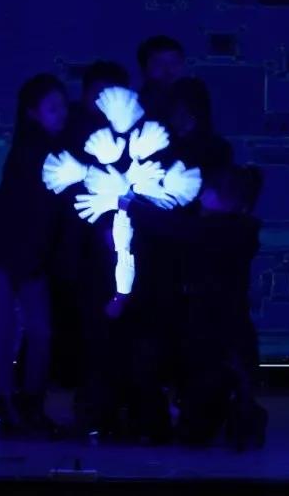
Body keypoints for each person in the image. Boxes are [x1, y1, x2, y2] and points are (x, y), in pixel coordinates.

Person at [117, 165, 267, 450]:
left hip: (216, 324)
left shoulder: (233, 230)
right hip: (200, 321)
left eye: (208, 190)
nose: (200, 194)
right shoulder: (225, 226)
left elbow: (179, 230)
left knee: (203, 399)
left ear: (224, 197)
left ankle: (235, 417)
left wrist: (132, 205)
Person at [0, 73, 67, 433]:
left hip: (29, 252)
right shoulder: (33, 150)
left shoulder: (50, 147)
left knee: (39, 330)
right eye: (52, 107)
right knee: (5, 326)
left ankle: (26, 402)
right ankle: (9, 402)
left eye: (62, 106)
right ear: (32, 112)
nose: (61, 113)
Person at [52, 60, 133, 436]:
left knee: (101, 332)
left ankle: (99, 407)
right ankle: (95, 408)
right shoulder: (73, 133)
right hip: (85, 250)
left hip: (106, 248)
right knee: (91, 331)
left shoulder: (121, 133)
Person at [137, 35, 185, 122]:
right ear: (144, 69)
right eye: (159, 65)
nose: (169, 71)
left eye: (174, 64)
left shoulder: (194, 103)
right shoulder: (134, 108)